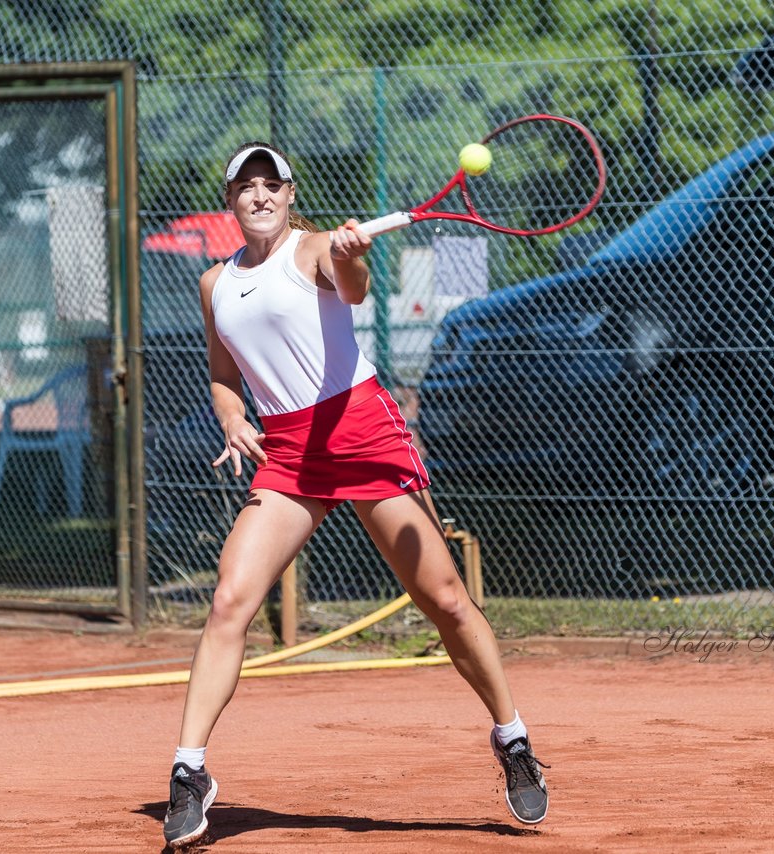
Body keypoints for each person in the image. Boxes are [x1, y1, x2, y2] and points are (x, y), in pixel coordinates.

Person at [162, 141, 549, 847]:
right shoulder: (215, 284)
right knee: (228, 600)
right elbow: (224, 370)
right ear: (232, 201)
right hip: (289, 454)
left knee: (447, 601)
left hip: (363, 431)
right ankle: (190, 772)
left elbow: (356, 290)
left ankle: (513, 740)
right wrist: (231, 416)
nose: (259, 196)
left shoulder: (313, 249)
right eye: (245, 187)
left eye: (270, 184)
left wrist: (348, 256)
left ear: (289, 192)